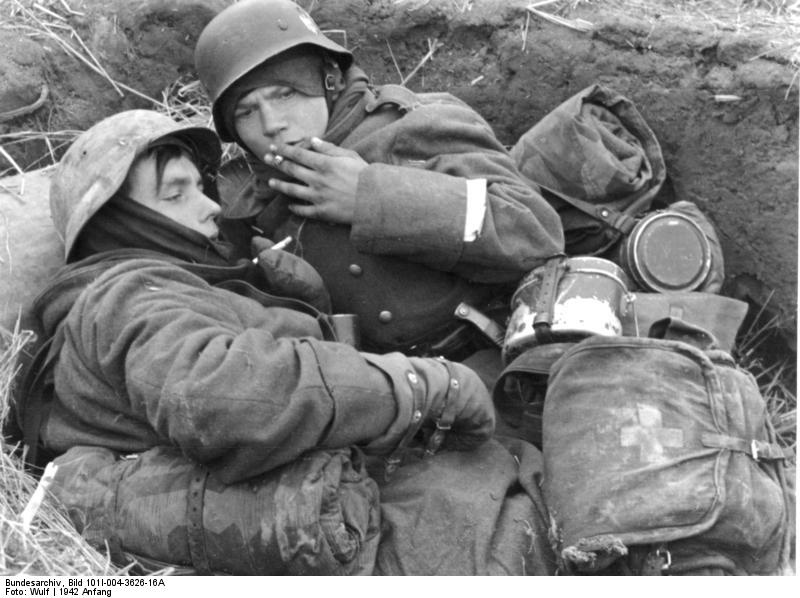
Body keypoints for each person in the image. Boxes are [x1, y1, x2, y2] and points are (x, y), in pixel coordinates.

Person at [22, 109, 555, 575]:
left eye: (199, 187)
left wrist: (304, 307)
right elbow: (223, 400)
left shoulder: (165, 290)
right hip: (368, 529)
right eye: (176, 193)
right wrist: (421, 384)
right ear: (120, 224)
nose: (210, 207)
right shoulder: (127, 292)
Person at [194, 0, 565, 384]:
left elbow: (535, 232)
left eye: (285, 94)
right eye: (246, 112)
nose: (271, 124)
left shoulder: (415, 125)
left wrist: (370, 197)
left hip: (504, 366)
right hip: (388, 399)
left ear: (329, 81)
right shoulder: (245, 203)